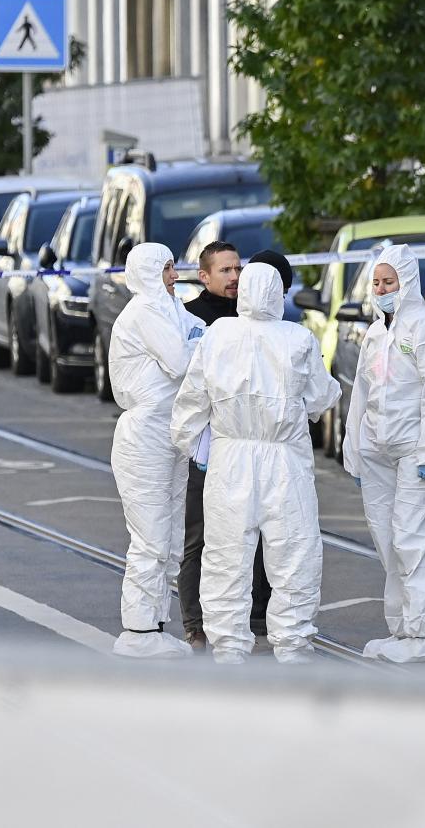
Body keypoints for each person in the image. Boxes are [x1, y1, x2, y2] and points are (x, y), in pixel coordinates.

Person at [171, 262, 340, 665]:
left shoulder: (218, 337)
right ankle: (294, 645)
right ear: (279, 293)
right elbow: (321, 398)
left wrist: (193, 446)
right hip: (285, 459)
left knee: (226, 554)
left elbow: (191, 402)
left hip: (230, 458)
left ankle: (228, 646)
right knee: (293, 552)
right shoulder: (298, 339)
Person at [341, 245, 425, 663]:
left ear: (407, 283)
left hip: (413, 451)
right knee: (388, 540)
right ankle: (402, 629)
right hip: (377, 451)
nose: (382, 289)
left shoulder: (424, 328)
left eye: (390, 282)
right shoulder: (374, 334)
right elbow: (361, 396)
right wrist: (355, 449)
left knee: (412, 539)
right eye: (377, 282)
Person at [175, 240, 272, 649]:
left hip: (252, 445)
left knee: (260, 532)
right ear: (204, 276)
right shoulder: (191, 318)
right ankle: (195, 624)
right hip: (207, 446)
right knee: (199, 535)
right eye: (226, 271)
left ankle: (257, 613)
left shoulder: (255, 316)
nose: (235, 278)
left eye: (238, 270)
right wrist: (188, 441)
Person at [108, 243, 201, 658]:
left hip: (172, 434)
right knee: (151, 536)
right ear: (147, 272)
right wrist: (197, 341)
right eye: (166, 269)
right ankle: (140, 628)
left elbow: (201, 333)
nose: (174, 277)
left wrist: (197, 339)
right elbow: (184, 360)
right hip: (145, 436)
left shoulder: (169, 309)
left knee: (170, 536)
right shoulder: (145, 312)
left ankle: (154, 623)